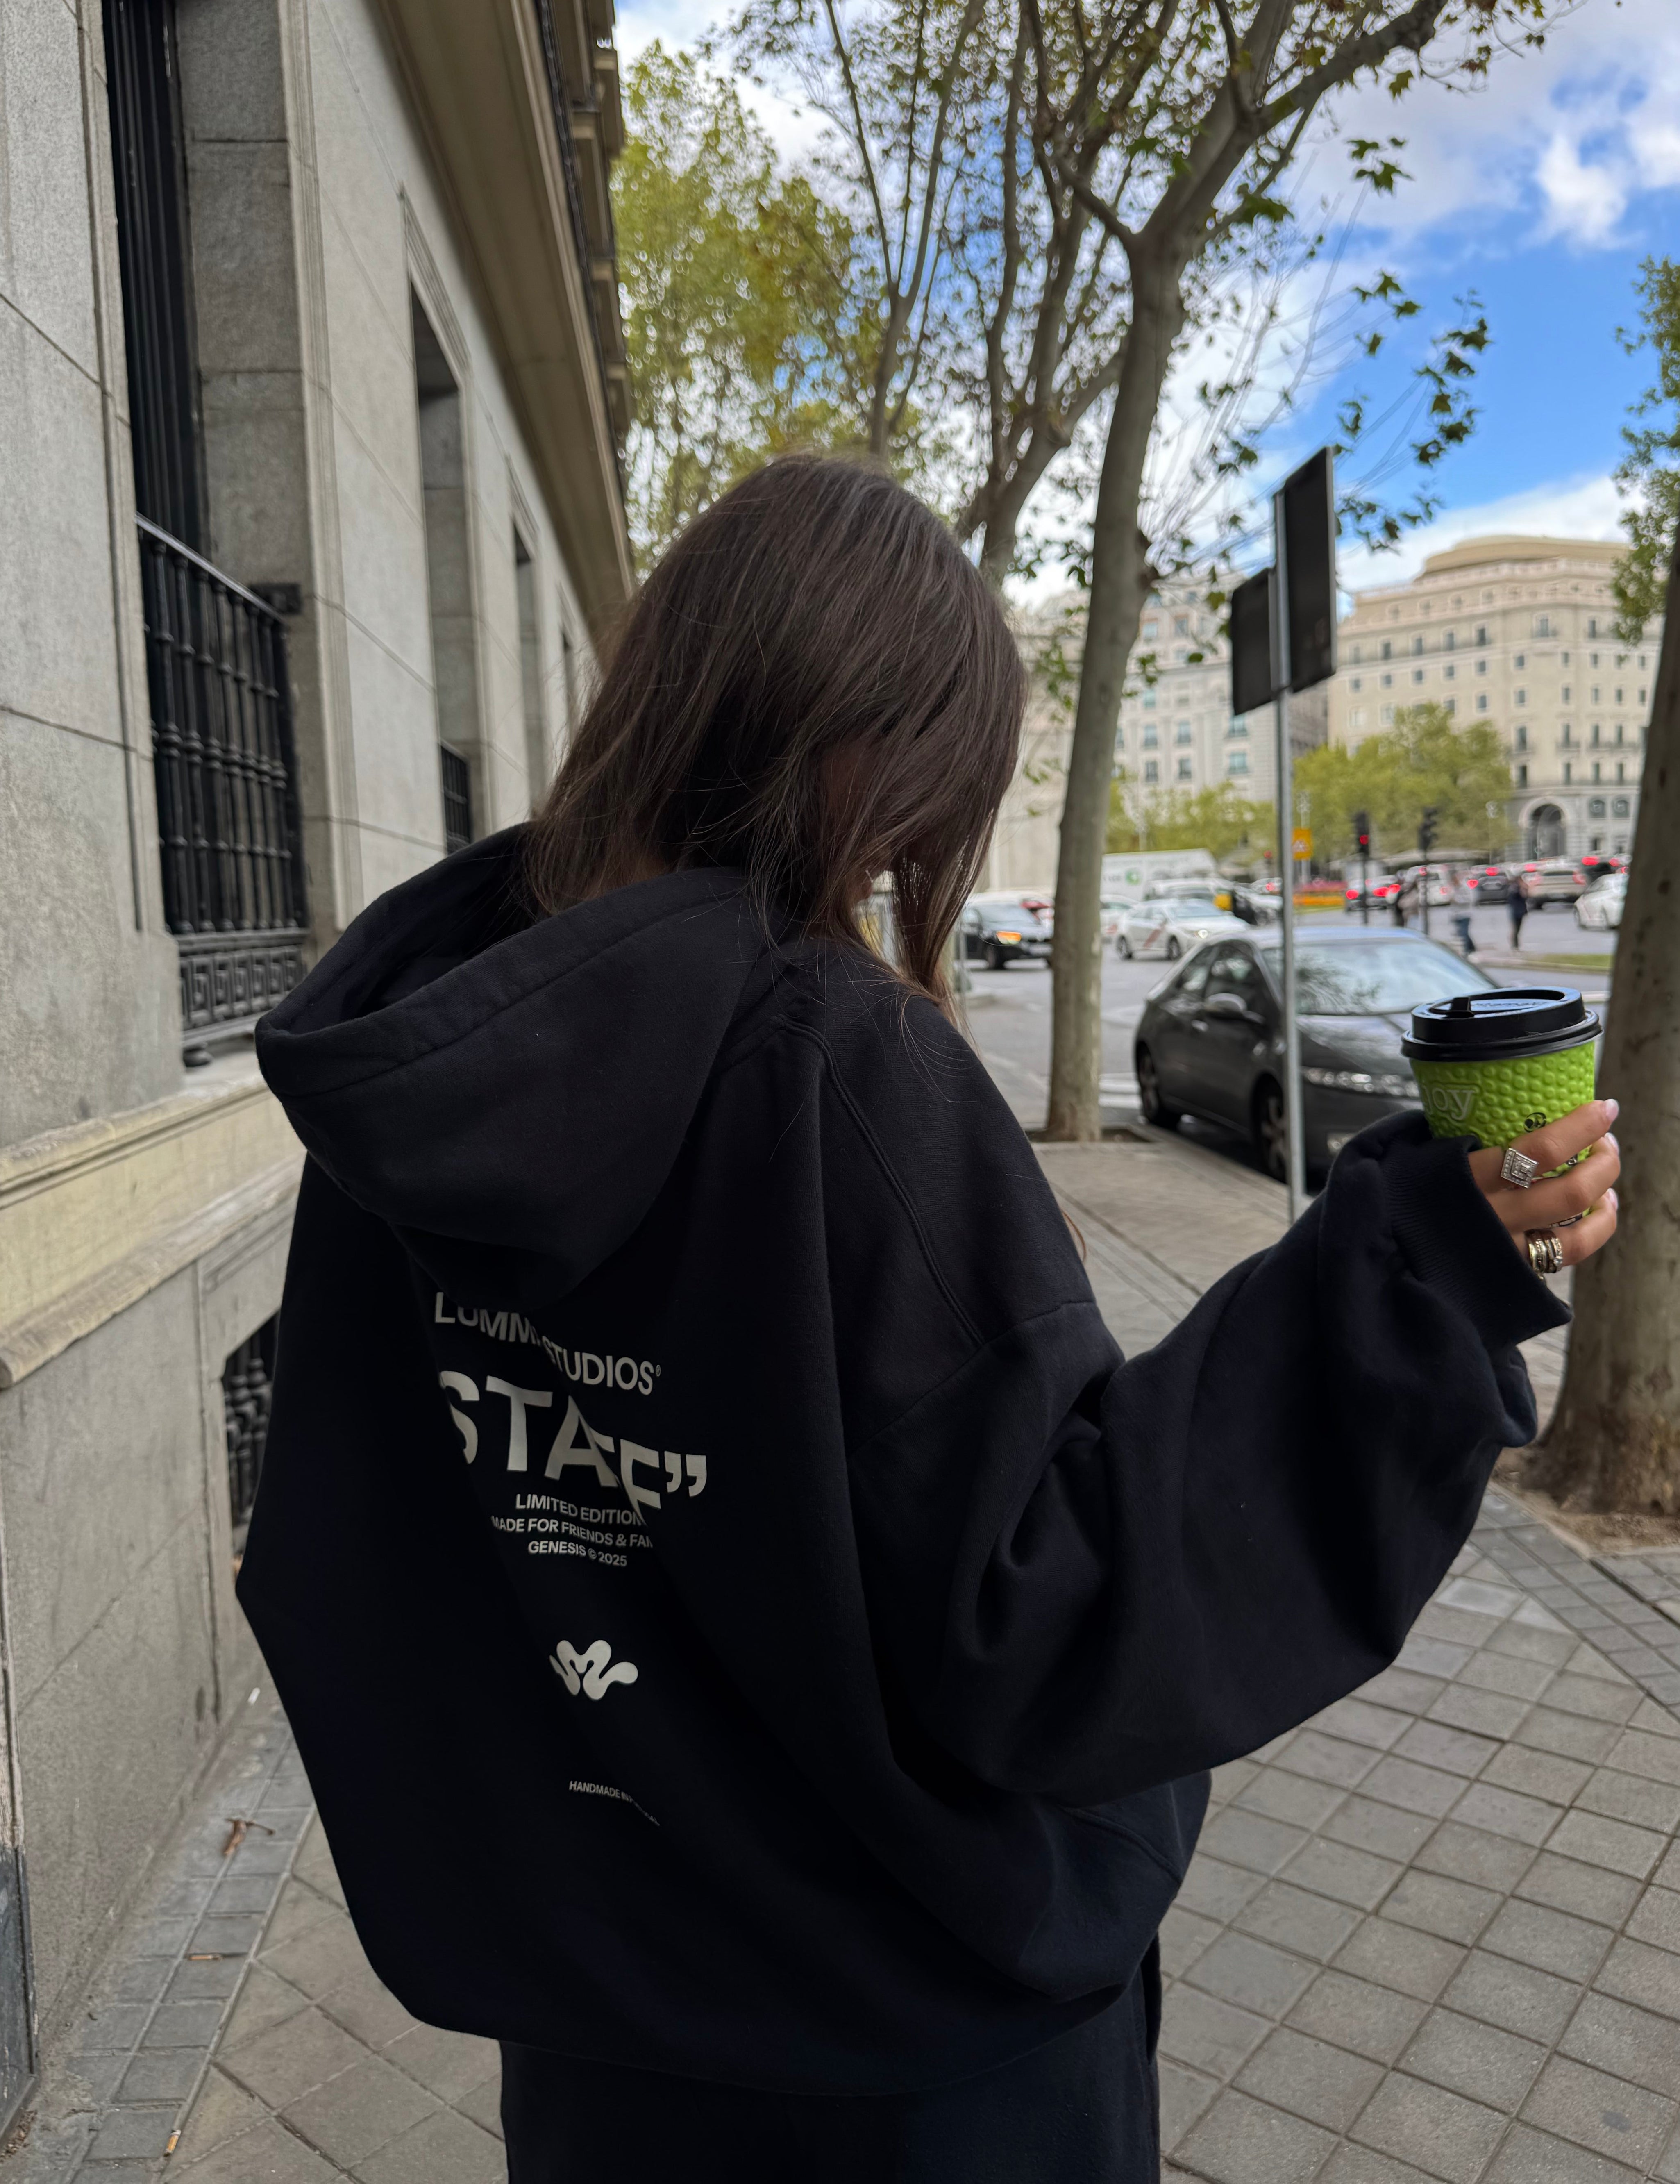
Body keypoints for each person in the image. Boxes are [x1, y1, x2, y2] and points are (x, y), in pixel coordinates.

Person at [245, 457, 1619, 2184]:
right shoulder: (830, 1055)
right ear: (875, 751)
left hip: (601, 2014)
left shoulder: (421, 1064)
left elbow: (357, 1533)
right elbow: (1048, 1619)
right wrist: (1412, 1269)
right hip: (906, 2053)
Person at [1509, 875, 1530, 951]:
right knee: (1516, 929)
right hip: (1516, 912)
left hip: (1520, 911)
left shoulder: (1521, 888)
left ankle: (1516, 946)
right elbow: (1514, 898)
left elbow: (1526, 897)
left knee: (1518, 930)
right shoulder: (1514, 889)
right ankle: (1515, 946)